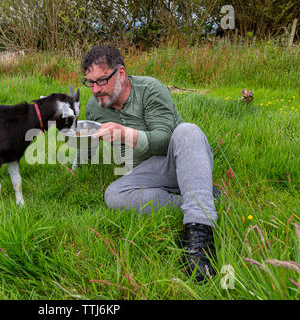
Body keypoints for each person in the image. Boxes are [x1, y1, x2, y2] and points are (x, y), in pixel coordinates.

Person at [75, 45, 218, 282]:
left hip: (180, 160)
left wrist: (125, 134)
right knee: (114, 194)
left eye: (101, 81)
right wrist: (75, 167)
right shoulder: (95, 106)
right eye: (90, 82)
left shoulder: (150, 89)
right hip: (143, 173)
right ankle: (201, 195)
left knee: (188, 131)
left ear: (120, 73)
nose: (96, 90)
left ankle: (199, 237)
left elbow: (165, 140)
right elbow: (87, 137)